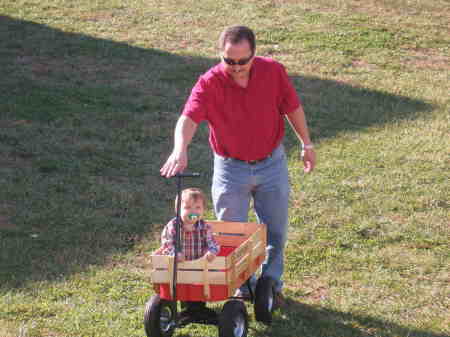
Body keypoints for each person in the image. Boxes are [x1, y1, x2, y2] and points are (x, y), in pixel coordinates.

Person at [160, 25, 316, 307]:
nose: (236, 67)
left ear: (254, 54)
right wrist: (179, 149)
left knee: (275, 229)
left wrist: (306, 144)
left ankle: (271, 286)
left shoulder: (273, 72)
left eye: (242, 61)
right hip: (231, 169)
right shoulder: (209, 82)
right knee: (231, 235)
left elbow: (292, 106)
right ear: (221, 55)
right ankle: (243, 285)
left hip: (272, 163)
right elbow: (188, 117)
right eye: (229, 60)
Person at [155, 187, 219, 322]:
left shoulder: (205, 227)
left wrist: (211, 252)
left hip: (199, 265)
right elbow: (167, 243)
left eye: (198, 208)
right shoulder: (173, 226)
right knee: (182, 287)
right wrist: (175, 253)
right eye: (188, 208)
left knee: (197, 288)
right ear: (178, 210)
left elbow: (212, 243)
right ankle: (189, 310)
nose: (193, 212)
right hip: (178, 266)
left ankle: (197, 310)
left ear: (203, 210)